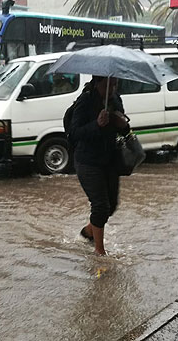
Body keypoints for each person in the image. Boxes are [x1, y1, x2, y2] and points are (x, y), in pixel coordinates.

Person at [70, 76, 129, 256]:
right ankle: (99, 252)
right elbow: (74, 133)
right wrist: (96, 124)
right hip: (87, 161)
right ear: (97, 84)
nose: (111, 89)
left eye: (115, 84)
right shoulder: (85, 101)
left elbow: (123, 130)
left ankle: (87, 232)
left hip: (110, 159)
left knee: (111, 206)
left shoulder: (116, 99)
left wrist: (123, 125)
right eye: (107, 85)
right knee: (101, 206)